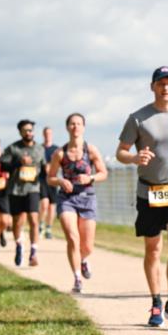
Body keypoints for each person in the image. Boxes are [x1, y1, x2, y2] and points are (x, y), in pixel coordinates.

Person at [116, 66, 168, 328]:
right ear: (153, 87)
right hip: (149, 190)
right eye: (160, 83)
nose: (165, 87)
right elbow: (121, 153)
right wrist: (135, 157)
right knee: (153, 248)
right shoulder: (138, 118)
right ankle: (156, 302)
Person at [47, 113, 108, 293]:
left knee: (87, 245)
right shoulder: (60, 153)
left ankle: (83, 260)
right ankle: (77, 278)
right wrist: (60, 181)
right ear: (67, 127)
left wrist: (89, 177)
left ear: (84, 127)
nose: (75, 127)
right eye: (72, 124)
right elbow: (50, 177)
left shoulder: (91, 150)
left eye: (79, 124)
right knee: (73, 238)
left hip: (88, 197)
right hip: (67, 199)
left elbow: (104, 173)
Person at [2, 119, 45, 266]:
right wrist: (18, 162)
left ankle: (33, 252)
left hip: (33, 188)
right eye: (26, 130)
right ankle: (19, 245)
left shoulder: (40, 149)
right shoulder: (13, 148)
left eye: (31, 130)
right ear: (20, 132)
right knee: (18, 221)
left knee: (34, 219)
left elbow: (44, 168)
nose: (29, 133)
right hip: (16, 189)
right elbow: (3, 166)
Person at [39, 126, 59, 239]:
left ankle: (49, 228)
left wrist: (52, 167)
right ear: (43, 134)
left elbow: (61, 164)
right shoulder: (39, 148)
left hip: (53, 180)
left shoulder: (56, 149)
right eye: (46, 133)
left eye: (49, 133)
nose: (48, 135)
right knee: (44, 204)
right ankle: (40, 224)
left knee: (52, 207)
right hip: (42, 180)